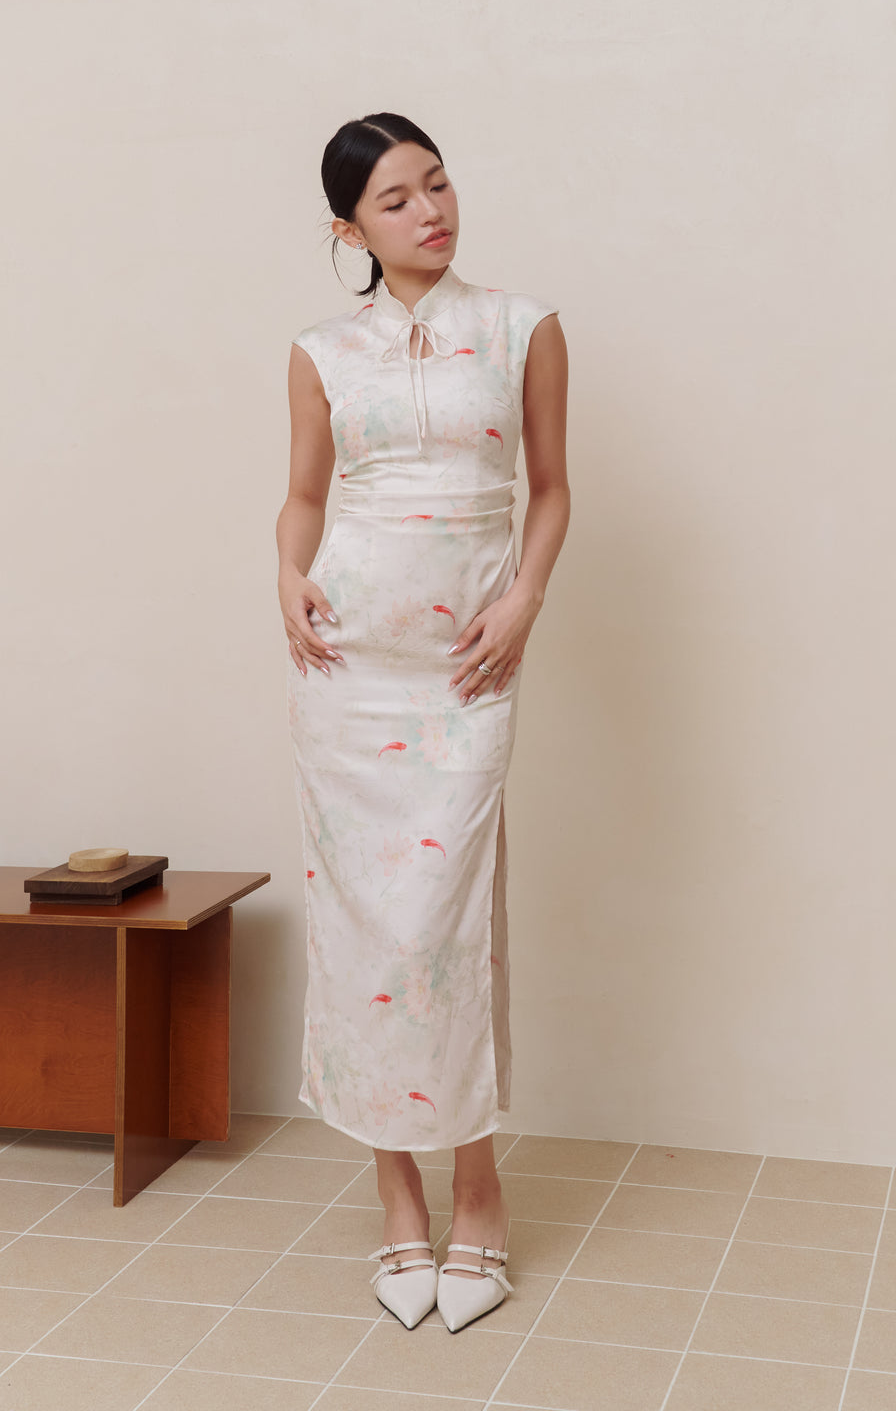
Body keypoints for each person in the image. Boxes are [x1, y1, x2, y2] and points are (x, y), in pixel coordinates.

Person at [276, 112, 569, 1331]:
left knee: (446, 925)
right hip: (347, 667)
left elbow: (549, 488)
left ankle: (477, 1189)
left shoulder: (520, 328)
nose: (429, 212)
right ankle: (396, 1194)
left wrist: (523, 598)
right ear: (348, 229)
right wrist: (284, 576)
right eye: (395, 199)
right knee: (366, 930)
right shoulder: (320, 351)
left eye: (437, 185)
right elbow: (304, 495)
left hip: (462, 668)